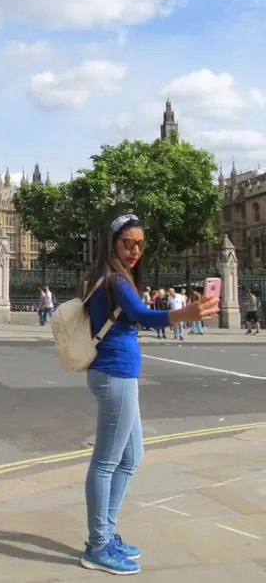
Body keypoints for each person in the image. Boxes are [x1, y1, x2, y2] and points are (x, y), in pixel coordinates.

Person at [81, 213, 218, 575]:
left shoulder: (115, 276)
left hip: (118, 375)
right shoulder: (113, 278)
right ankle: (97, 544)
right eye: (128, 242)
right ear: (112, 242)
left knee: (132, 456)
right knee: (107, 462)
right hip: (115, 374)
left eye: (140, 243)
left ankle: (106, 532)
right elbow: (143, 315)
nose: (135, 250)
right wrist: (186, 313)